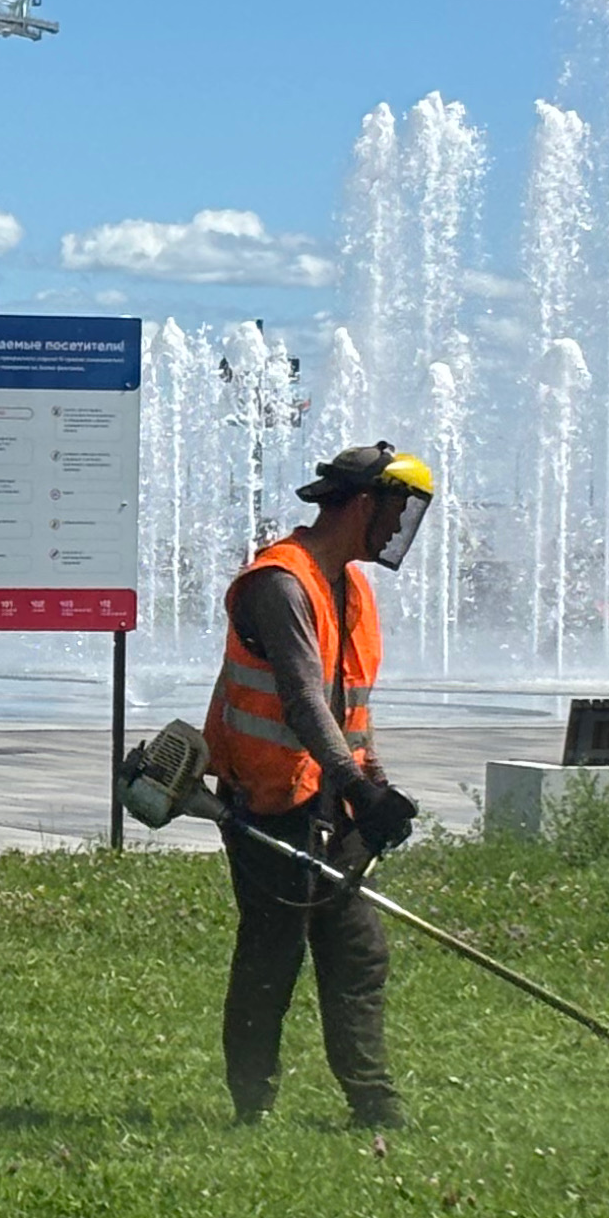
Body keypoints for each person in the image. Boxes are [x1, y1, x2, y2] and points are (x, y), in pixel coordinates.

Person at [202, 443, 435, 1137]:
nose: (401, 528)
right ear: (364, 503)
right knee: (273, 955)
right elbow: (303, 700)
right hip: (272, 800)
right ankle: (253, 1108)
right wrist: (356, 789)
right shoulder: (282, 582)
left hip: (331, 795)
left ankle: (375, 1107)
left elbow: (347, 707)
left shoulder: (350, 585)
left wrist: (376, 786)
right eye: (399, 510)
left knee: (358, 951)